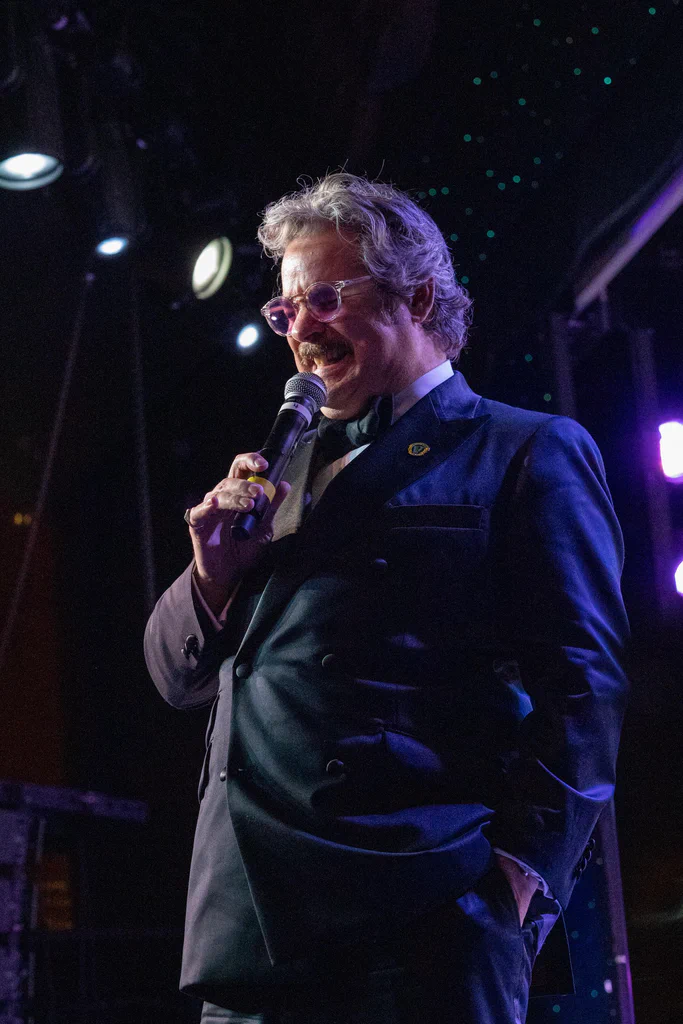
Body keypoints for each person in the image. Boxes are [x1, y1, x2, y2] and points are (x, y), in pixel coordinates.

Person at [144, 173, 629, 1024]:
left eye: (323, 297)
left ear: (416, 294)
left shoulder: (525, 450)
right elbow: (175, 680)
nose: (300, 327)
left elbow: (583, 686)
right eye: (286, 310)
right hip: (248, 924)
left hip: (421, 914)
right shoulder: (276, 470)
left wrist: (518, 883)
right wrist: (212, 578)